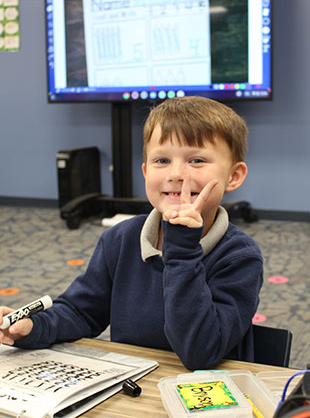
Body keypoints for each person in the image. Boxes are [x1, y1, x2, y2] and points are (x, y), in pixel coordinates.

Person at [0, 96, 263, 370]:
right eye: (162, 160)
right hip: (135, 384)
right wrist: (33, 326)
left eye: (196, 160)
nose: (176, 173)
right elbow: (82, 311)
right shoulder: (121, 238)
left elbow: (200, 352)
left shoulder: (239, 256)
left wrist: (182, 251)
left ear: (233, 176)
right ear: (146, 171)